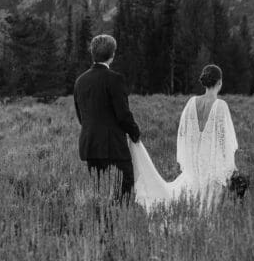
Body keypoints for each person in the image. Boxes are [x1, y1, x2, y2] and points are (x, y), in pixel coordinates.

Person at [129, 64, 239, 211]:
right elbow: (224, 142)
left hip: (193, 170)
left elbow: (183, 135)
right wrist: (231, 169)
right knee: (206, 210)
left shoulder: (191, 102)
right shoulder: (221, 106)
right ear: (219, 82)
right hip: (210, 171)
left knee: (188, 206)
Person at [73, 34, 141, 203]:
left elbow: (81, 117)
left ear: (92, 53)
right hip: (113, 147)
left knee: (99, 194)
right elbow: (123, 115)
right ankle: (117, 225)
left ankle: (101, 226)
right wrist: (135, 133)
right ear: (112, 55)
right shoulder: (115, 79)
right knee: (124, 190)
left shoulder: (80, 81)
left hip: (90, 145)